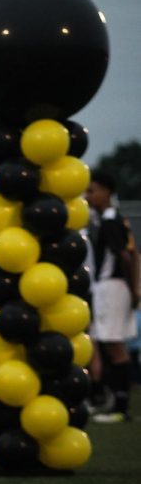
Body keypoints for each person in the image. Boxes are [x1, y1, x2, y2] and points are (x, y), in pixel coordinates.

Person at [85, 170, 138, 423]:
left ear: (106, 192)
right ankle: (110, 400)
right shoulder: (105, 219)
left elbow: (127, 256)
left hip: (112, 286)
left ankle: (121, 407)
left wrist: (135, 287)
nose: (88, 196)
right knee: (104, 342)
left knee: (115, 346)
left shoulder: (111, 220)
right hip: (106, 287)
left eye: (92, 190)